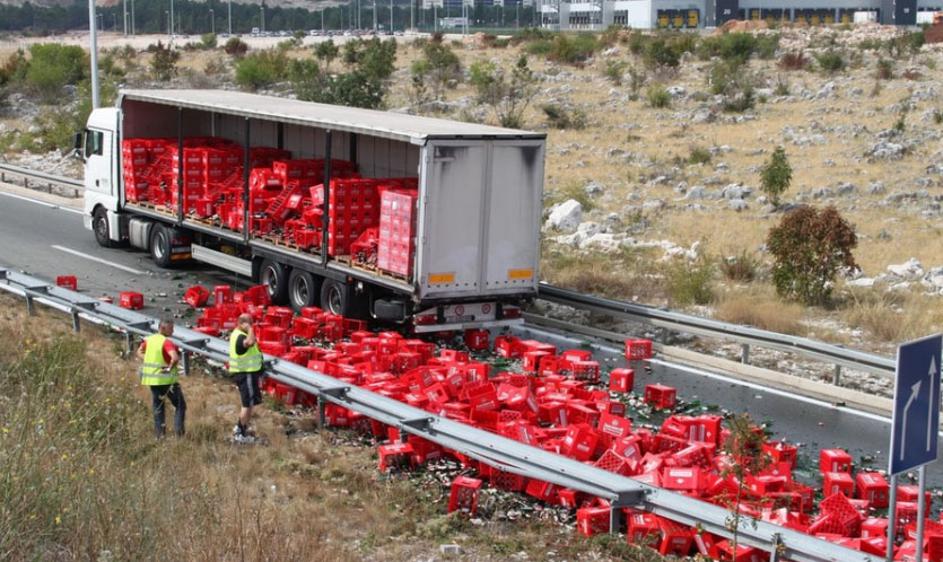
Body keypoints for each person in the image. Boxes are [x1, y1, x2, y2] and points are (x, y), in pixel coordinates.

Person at [137, 318, 186, 438]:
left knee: (158, 407)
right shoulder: (167, 342)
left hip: (153, 380)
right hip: (167, 381)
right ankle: (179, 433)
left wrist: (147, 359)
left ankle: (160, 435)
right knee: (180, 405)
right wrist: (169, 368)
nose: (173, 331)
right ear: (162, 328)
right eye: (171, 329)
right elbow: (175, 358)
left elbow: (139, 351)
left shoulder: (150, 340)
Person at [229, 313, 264, 443]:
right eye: (250, 323)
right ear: (243, 324)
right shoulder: (240, 337)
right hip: (245, 373)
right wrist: (250, 329)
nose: (252, 326)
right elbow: (250, 342)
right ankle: (240, 433)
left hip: (245, 373)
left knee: (249, 403)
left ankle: (241, 427)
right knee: (247, 405)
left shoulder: (236, 334)